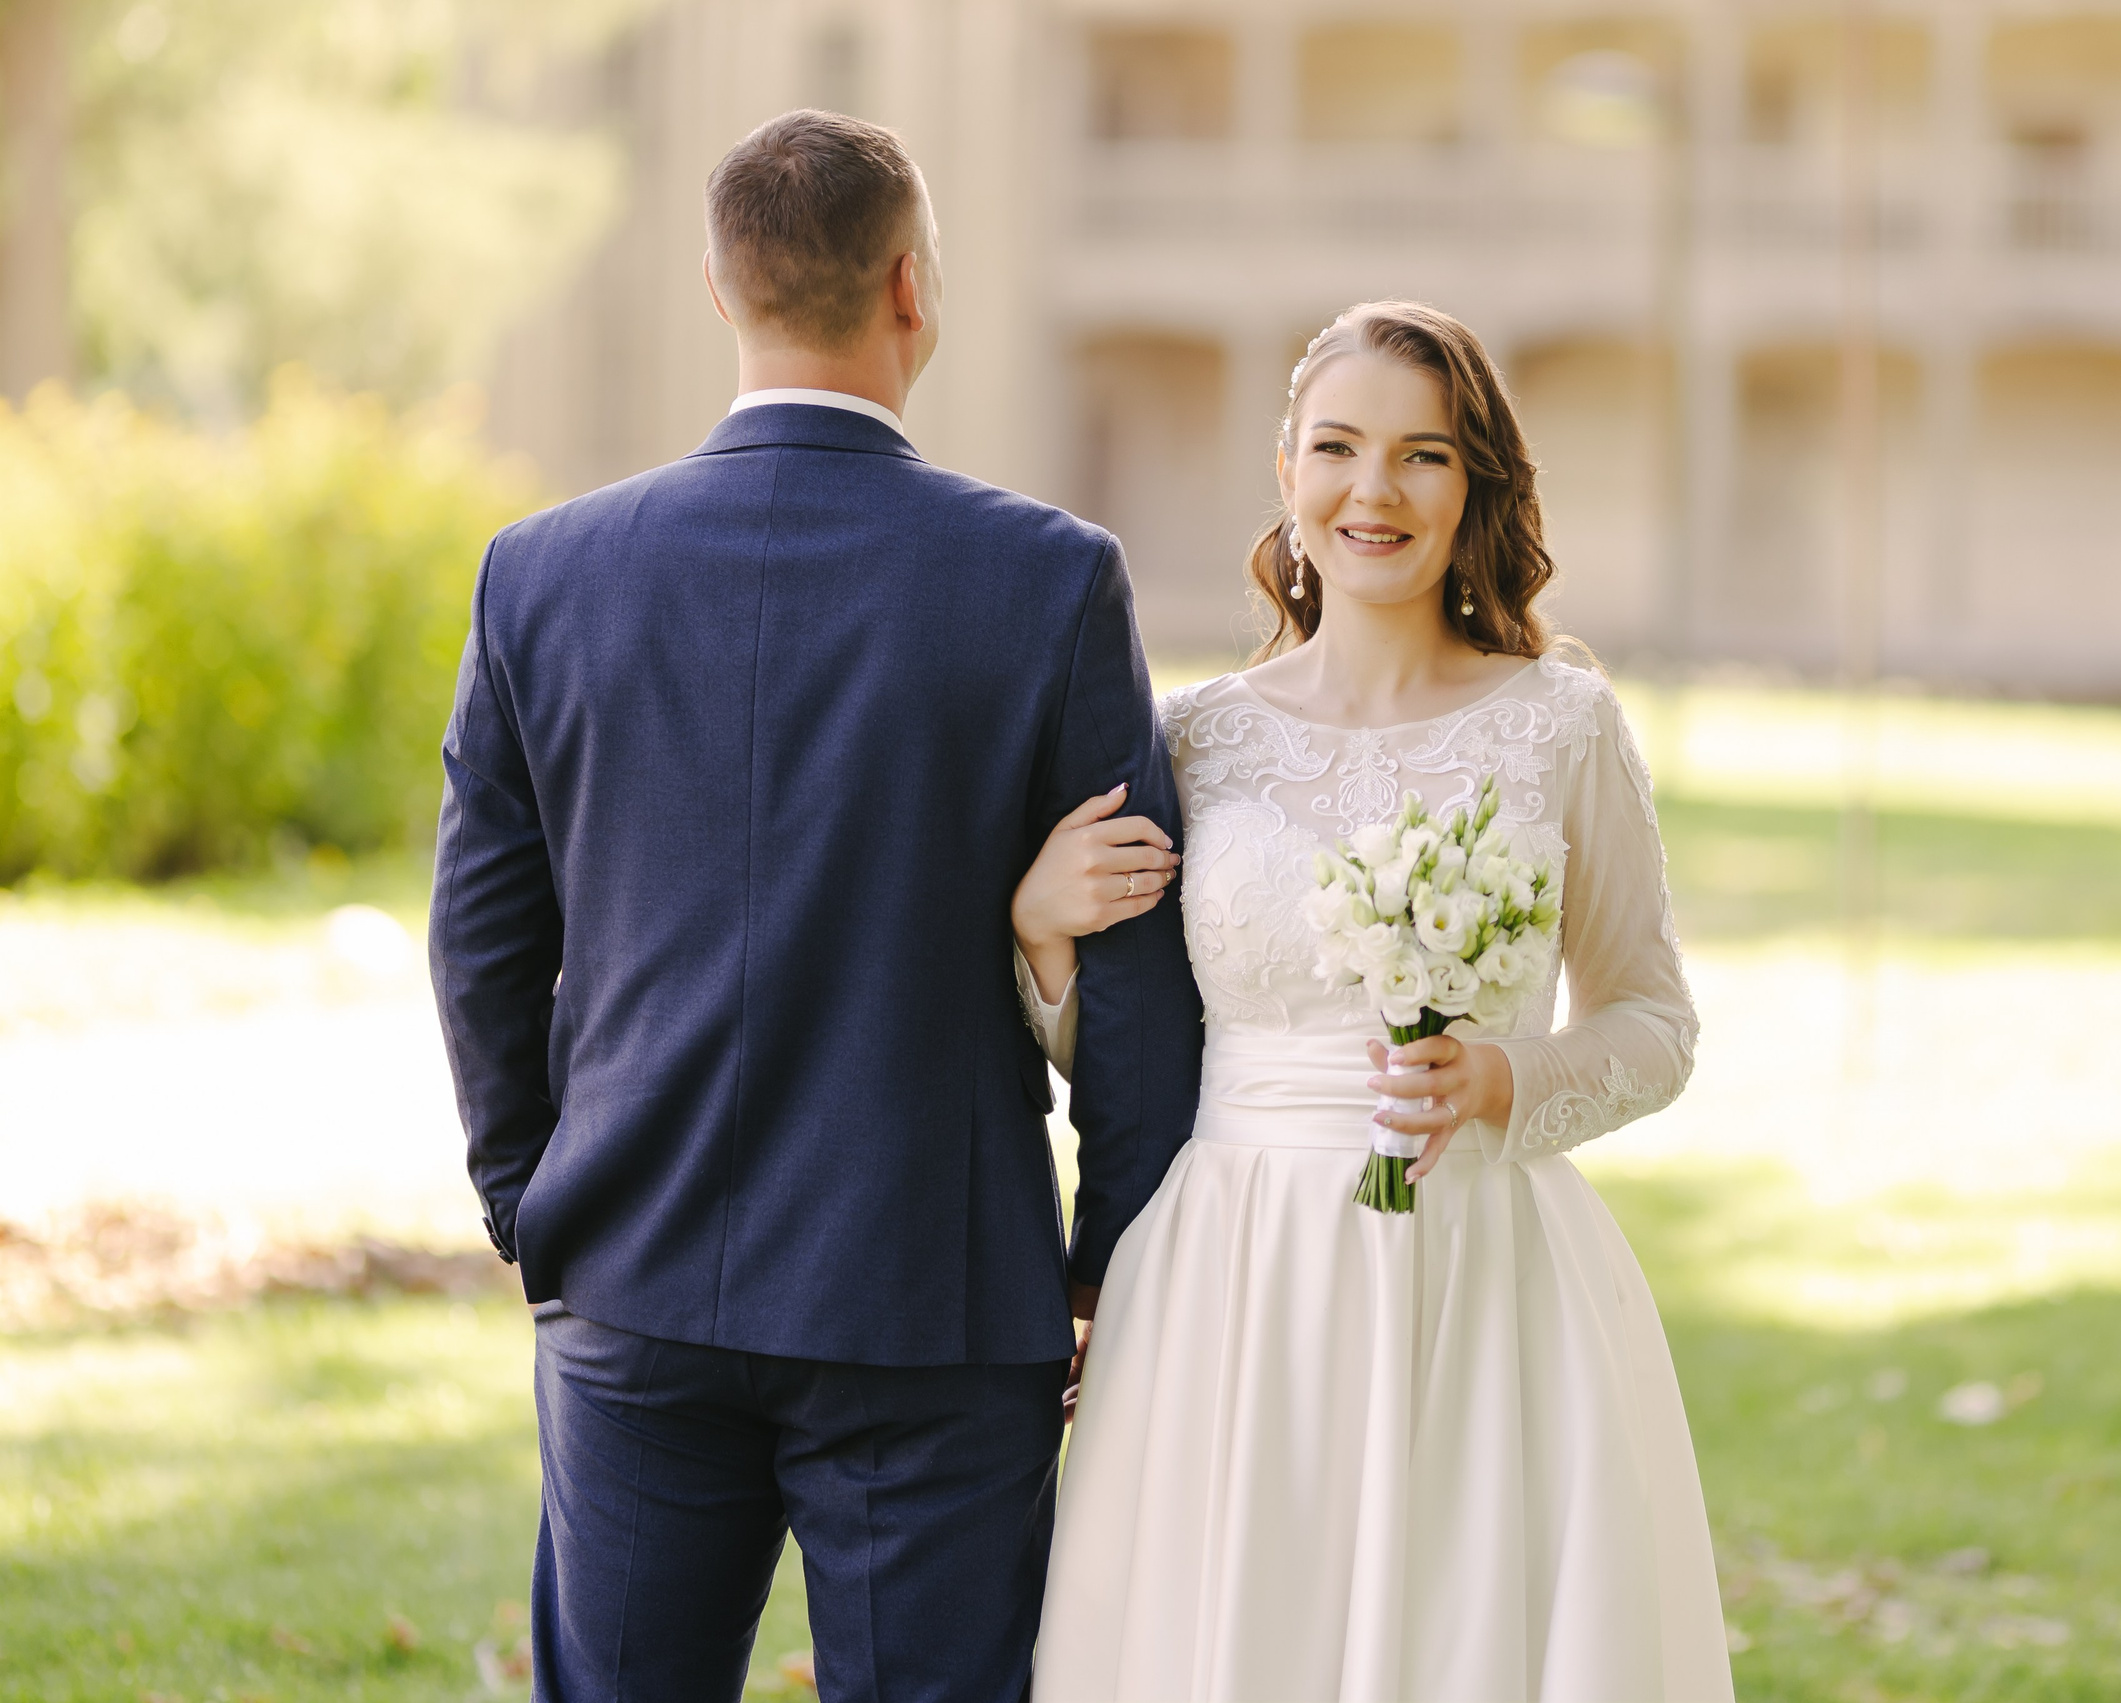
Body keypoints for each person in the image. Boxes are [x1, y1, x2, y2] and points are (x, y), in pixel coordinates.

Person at [426, 110, 1202, 1702]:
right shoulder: (1052, 578)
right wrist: (1106, 1258)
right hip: (939, 1292)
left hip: (631, 1274)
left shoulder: (541, 575)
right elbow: (1133, 959)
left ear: (723, 293)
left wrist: (537, 1205)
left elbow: (485, 944)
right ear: (915, 287)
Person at [1012, 302, 1735, 1701]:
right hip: (1232, 1274)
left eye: (1422, 456)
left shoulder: (1560, 724)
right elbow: (1134, 1043)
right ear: (1287, 471)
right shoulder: (1198, 742)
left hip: (1479, 1266)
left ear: (1476, 487)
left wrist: (1509, 1083)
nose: (1375, 491)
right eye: (1338, 448)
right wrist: (1040, 930)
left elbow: (1656, 1021)